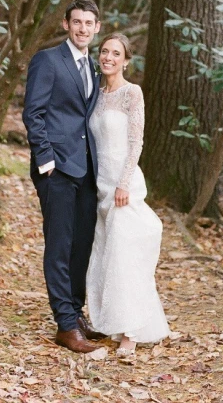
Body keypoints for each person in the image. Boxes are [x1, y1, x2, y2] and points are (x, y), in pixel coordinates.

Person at [22, 0, 106, 353]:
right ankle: (65, 325)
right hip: (56, 170)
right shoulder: (48, 60)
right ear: (65, 24)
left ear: (96, 27)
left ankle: (75, 311)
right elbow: (33, 113)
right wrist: (46, 161)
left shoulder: (94, 67)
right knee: (59, 245)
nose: (82, 28)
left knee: (81, 245)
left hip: (86, 170)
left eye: (88, 23)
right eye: (77, 22)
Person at [86, 32, 169, 354]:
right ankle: (112, 321)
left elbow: (136, 142)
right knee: (106, 255)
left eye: (115, 53)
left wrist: (124, 183)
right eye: (104, 51)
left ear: (126, 60)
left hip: (123, 182)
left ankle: (131, 333)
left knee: (125, 256)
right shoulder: (95, 92)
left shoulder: (131, 93)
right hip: (99, 183)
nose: (108, 57)